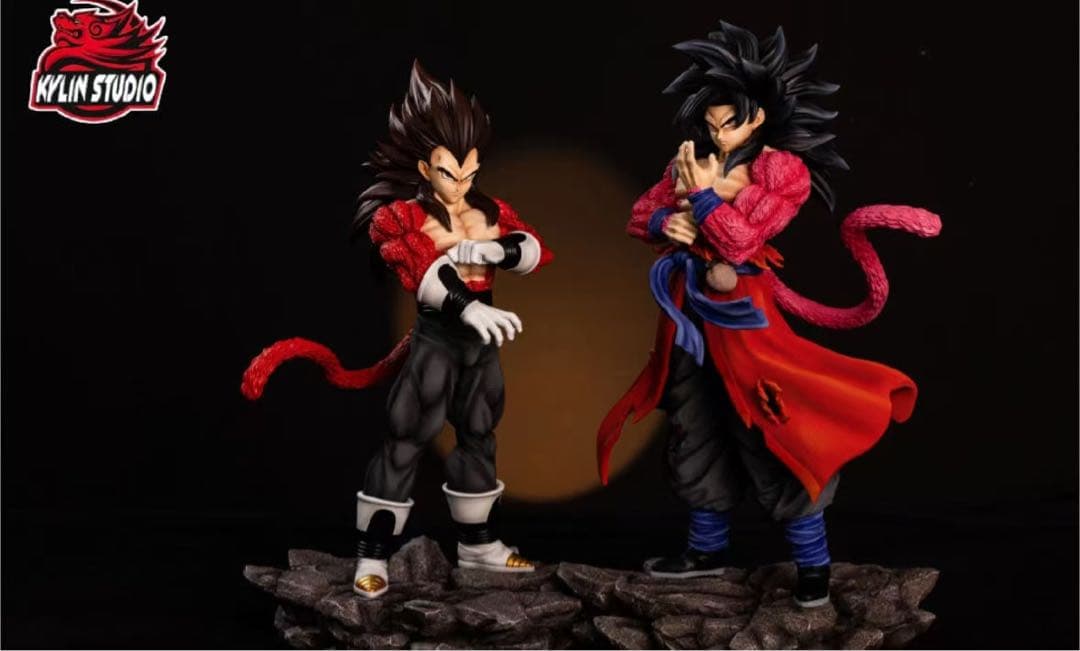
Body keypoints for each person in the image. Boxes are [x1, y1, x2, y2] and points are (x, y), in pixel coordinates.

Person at [596, 21, 940, 608]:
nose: (717, 133)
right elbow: (639, 215)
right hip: (686, 316)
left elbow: (740, 241)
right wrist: (664, 222)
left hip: (744, 319)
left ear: (757, 116)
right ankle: (706, 549)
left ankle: (813, 563)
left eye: (729, 122)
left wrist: (702, 198)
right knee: (695, 425)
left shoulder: (781, 170)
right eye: (711, 123)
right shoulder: (692, 159)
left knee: (772, 427)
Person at [243, 61, 552, 598]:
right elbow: (420, 270)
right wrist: (468, 306)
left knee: (479, 433)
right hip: (437, 341)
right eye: (449, 174)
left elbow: (534, 250)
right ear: (425, 167)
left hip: (481, 347)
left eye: (469, 173)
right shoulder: (401, 217)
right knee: (407, 437)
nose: (460, 186)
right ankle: (374, 555)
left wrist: (497, 250)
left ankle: (478, 546)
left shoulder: (489, 210)